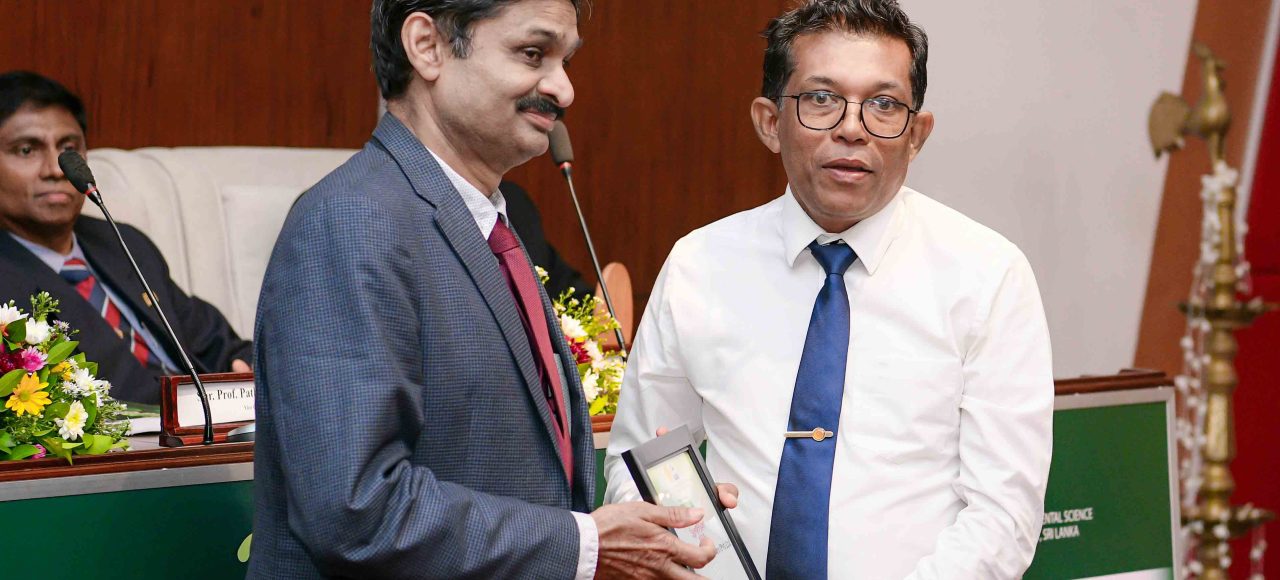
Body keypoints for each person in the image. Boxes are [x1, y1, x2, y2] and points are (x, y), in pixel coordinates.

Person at [250, 1, 725, 578]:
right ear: (427, 46)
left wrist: (641, 529)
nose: (564, 89)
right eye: (532, 53)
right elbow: (356, 512)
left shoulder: (486, 222)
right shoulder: (353, 220)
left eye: (566, 61)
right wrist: (584, 545)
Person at [604, 1, 1054, 578]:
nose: (851, 128)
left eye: (884, 105)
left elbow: (1003, 515)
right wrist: (678, 546)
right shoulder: (700, 265)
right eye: (821, 98)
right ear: (770, 122)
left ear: (917, 134)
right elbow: (640, 458)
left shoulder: (987, 275)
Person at [0, 71, 251, 405]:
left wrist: (249, 372)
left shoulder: (123, 242)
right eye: (26, 150)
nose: (56, 169)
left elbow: (219, 344)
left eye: (68, 148)